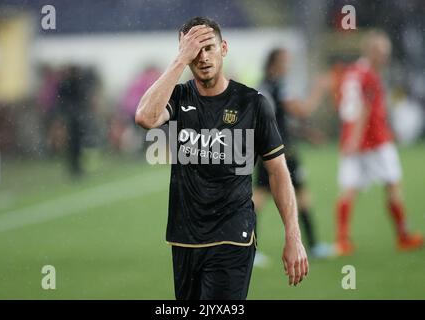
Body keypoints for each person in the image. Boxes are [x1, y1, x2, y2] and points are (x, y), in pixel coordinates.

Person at [135, 16, 308, 300]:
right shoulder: (178, 98)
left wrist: (293, 236)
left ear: (223, 48)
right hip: (184, 238)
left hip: (232, 235)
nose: (202, 57)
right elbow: (145, 117)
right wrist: (179, 61)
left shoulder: (253, 104)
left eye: (209, 48)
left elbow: (277, 171)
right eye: (194, 51)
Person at [332, 30, 423, 255]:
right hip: (374, 141)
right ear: (371, 51)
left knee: (349, 190)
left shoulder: (353, 72)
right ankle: (403, 237)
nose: (386, 57)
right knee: (392, 185)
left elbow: (345, 104)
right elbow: (364, 108)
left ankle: (342, 241)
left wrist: (350, 137)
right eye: (383, 52)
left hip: (355, 140)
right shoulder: (369, 75)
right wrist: (356, 138)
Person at [253, 49, 333, 265]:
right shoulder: (280, 86)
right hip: (283, 151)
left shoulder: (263, 85)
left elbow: (276, 120)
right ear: (275, 63)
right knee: (301, 194)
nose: (288, 67)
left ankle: (248, 249)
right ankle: (314, 245)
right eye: (286, 62)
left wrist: (306, 134)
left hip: (265, 148)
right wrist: (318, 89)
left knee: (258, 197)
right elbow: (302, 110)